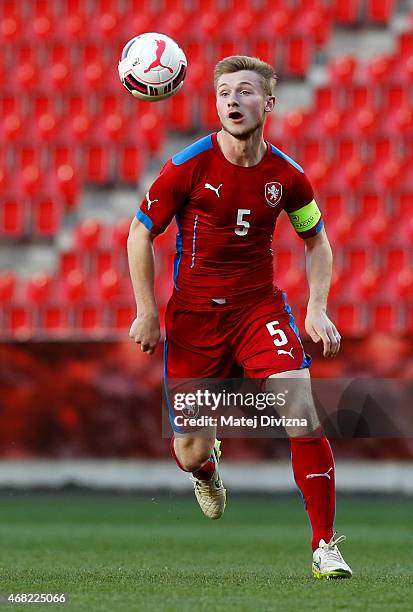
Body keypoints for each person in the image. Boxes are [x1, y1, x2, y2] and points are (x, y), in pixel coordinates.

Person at [127, 55, 352, 579]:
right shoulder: (187, 165)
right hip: (195, 321)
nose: (233, 100)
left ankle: (324, 545)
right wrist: (145, 310)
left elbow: (317, 241)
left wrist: (316, 307)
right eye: (224, 92)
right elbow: (140, 233)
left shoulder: (288, 177)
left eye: (246, 91)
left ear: (268, 103)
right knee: (187, 449)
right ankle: (206, 468)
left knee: (302, 414)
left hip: (259, 310)